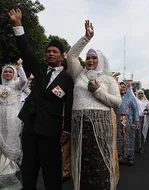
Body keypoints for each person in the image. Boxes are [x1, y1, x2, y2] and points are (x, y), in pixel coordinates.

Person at [9, 9, 74, 190]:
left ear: (62, 55)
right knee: (29, 169)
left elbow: (68, 106)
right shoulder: (38, 70)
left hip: (51, 131)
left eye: (54, 51)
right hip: (30, 125)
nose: (50, 54)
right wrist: (18, 24)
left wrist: (67, 130)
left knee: (51, 170)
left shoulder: (68, 79)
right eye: (48, 51)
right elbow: (25, 50)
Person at [67, 20, 121, 190]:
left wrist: (98, 91)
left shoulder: (108, 79)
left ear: (101, 61)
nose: (90, 61)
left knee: (101, 162)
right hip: (80, 124)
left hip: (100, 125)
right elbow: (71, 56)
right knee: (82, 163)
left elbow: (117, 103)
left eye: (93, 58)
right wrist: (86, 38)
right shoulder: (79, 74)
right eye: (88, 58)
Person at [0, 59, 27, 190]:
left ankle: (10, 164)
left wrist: (20, 67)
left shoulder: (16, 85)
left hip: (12, 117)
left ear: (14, 73)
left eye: (10, 71)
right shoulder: (0, 87)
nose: (8, 73)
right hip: (1, 117)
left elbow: (24, 81)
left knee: (11, 138)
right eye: (5, 71)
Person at [116, 82, 140, 166]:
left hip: (128, 121)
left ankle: (130, 157)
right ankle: (120, 155)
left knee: (129, 138)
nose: (122, 89)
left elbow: (135, 109)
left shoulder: (130, 97)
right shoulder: (116, 97)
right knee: (119, 138)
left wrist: (136, 120)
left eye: (124, 87)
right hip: (118, 121)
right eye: (121, 87)